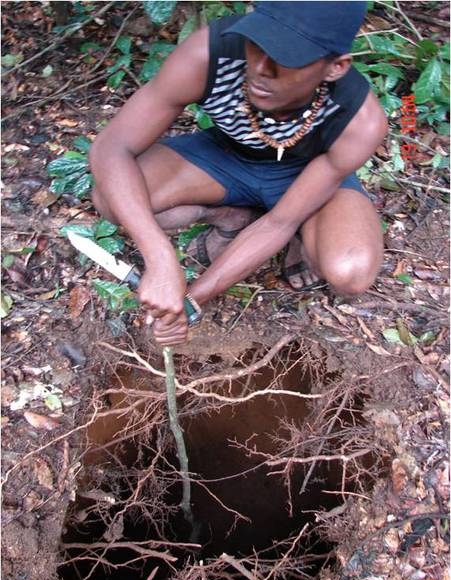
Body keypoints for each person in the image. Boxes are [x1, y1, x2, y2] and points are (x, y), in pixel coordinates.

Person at [90, 1, 388, 346]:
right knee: (111, 198)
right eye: (257, 44)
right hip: (226, 158)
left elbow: (280, 222)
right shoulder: (207, 54)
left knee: (350, 271)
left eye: (285, 57)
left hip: (306, 176)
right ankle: (232, 214)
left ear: (335, 67)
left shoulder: (359, 120)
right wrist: (159, 256)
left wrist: (190, 301)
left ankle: (304, 237)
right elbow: (112, 147)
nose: (260, 68)